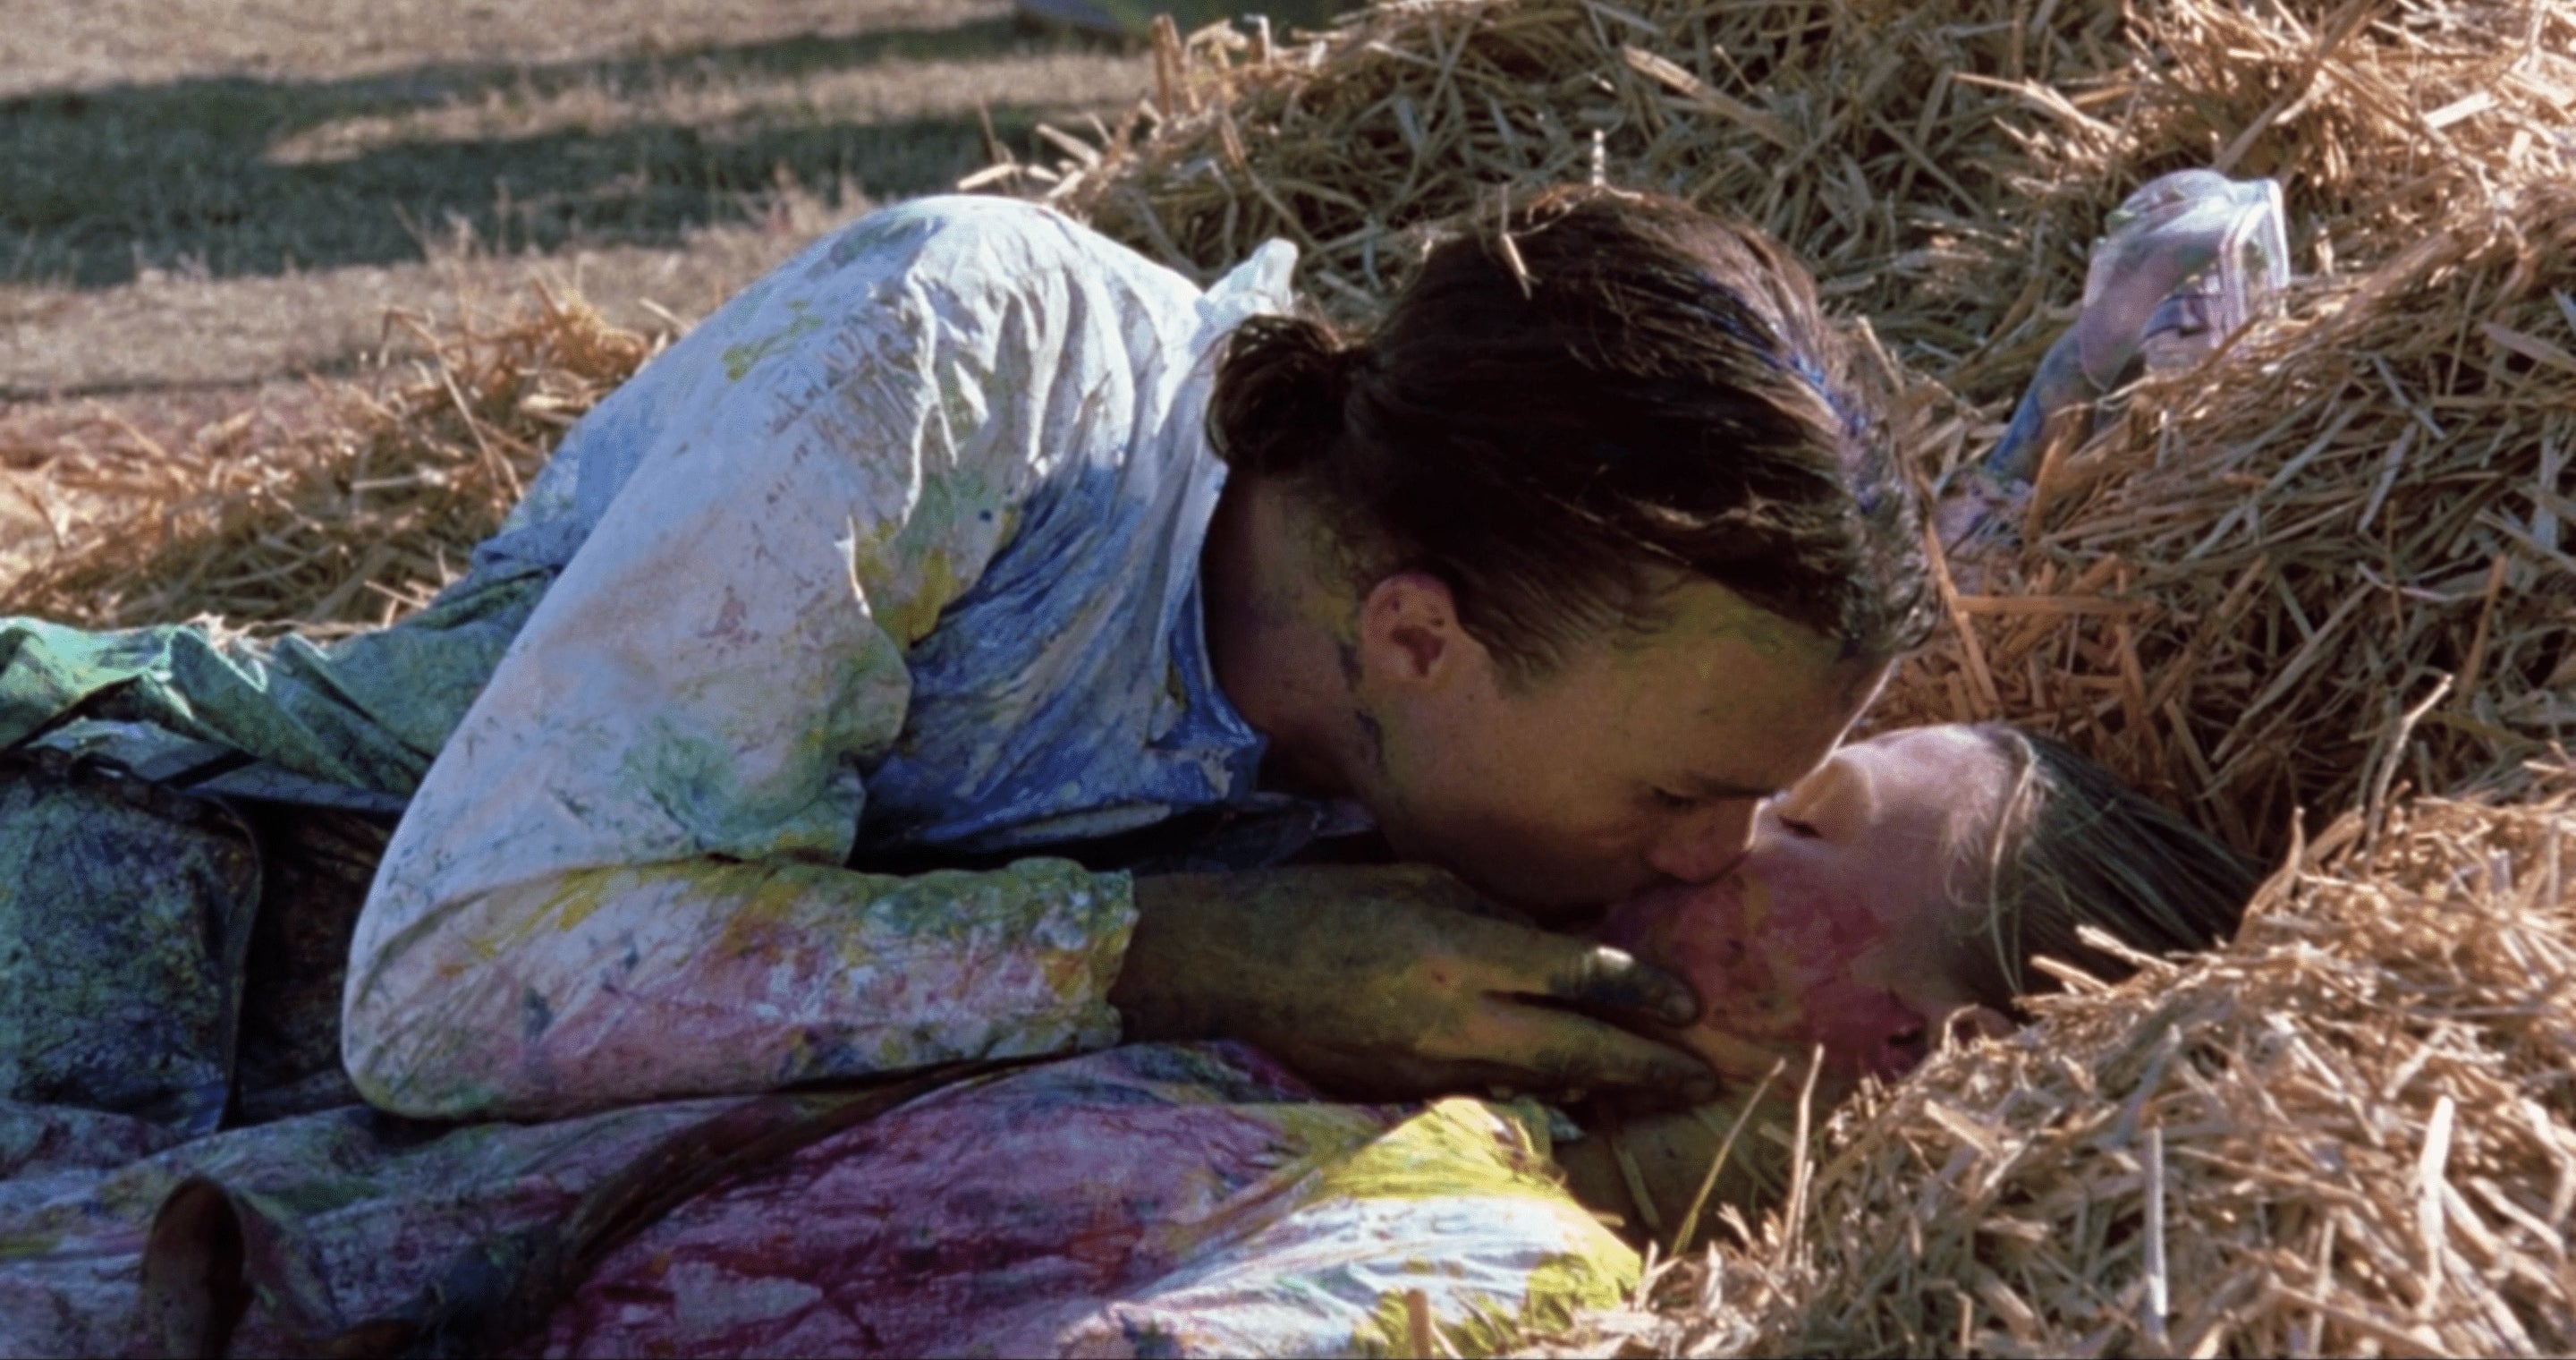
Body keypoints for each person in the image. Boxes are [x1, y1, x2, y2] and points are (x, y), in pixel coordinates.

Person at [1, 184, 1935, 1130]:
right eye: (1687, 795)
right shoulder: (962, 362)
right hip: (135, 894)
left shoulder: (1449, 737)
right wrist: (1171, 956)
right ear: (1417, 634)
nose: (1713, 851)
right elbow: (447, 984)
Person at [0, 720, 2254, 1357]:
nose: (1732, 790)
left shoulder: (1480, 1264)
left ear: (1936, 1068)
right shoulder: (1390, 986)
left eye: (1812, 812)